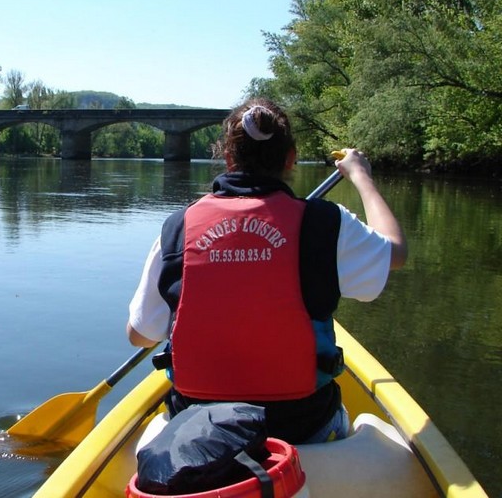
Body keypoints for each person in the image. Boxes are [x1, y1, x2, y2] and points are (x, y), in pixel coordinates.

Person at [126, 98, 407, 444]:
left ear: (228, 159)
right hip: (303, 427)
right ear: (290, 159)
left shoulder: (179, 228)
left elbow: (140, 335)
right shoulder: (326, 223)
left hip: (197, 431)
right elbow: (394, 251)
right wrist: (361, 177)